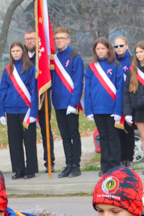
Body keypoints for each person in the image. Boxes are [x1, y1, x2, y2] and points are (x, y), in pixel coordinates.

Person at [0, 41, 38, 180]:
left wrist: (33, 112)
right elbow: (3, 90)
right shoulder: (7, 69)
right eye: (13, 51)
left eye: (17, 51)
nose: (15, 53)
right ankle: (18, 169)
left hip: (25, 110)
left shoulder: (30, 68)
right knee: (14, 142)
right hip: (11, 110)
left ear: (23, 51)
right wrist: (1, 111)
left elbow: (34, 91)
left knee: (29, 141)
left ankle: (30, 169)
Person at [85, 38, 124, 176]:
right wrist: (88, 109)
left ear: (108, 49)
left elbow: (120, 89)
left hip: (112, 109)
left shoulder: (116, 65)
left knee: (113, 137)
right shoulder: (91, 67)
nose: (100, 51)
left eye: (103, 48)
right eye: (98, 49)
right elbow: (88, 89)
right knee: (103, 137)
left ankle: (115, 166)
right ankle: (105, 167)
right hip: (97, 109)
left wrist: (118, 110)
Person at [51, 27, 84, 178]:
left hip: (71, 103)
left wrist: (73, 103)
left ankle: (76, 165)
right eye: (57, 38)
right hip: (58, 103)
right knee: (64, 135)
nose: (59, 41)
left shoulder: (75, 57)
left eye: (62, 38)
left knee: (73, 134)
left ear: (68, 40)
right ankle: (68, 163)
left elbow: (78, 83)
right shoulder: (54, 59)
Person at [26, 29, 55, 173]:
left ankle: (49, 161)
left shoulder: (42, 58)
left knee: (46, 132)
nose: (29, 41)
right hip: (26, 103)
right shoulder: (22, 58)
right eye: (27, 39)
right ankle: (31, 165)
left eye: (32, 38)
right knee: (28, 134)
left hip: (42, 100)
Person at [113, 36, 136, 168]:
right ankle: (122, 159)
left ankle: (129, 159)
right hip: (116, 100)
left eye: (121, 46)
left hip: (129, 100)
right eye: (116, 46)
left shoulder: (132, 61)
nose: (119, 49)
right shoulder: (113, 61)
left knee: (129, 131)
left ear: (127, 46)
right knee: (118, 133)